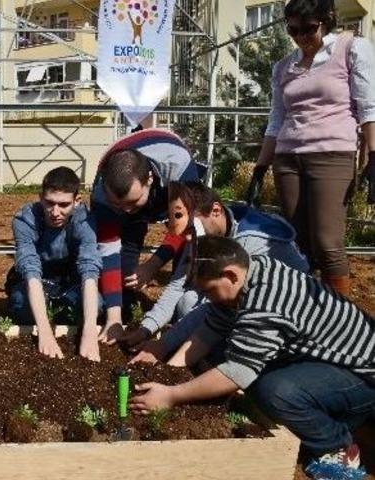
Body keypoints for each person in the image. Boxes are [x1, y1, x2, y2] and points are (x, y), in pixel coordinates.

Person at [129, 236, 374, 480]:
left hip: (363, 373)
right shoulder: (249, 273)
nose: (208, 298)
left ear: (231, 275)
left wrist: (172, 395)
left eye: (209, 290)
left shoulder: (267, 301)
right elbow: (209, 331)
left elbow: (238, 372)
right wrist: (170, 373)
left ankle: (335, 446)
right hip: (326, 358)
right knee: (227, 354)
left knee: (274, 391)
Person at [246, 0, 375, 296]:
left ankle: (343, 320)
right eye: (293, 30)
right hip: (287, 160)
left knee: (328, 242)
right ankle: (307, 309)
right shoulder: (284, 67)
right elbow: (276, 120)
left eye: (308, 29)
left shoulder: (350, 48)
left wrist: (373, 154)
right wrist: (261, 166)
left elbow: (369, 107)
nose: (301, 37)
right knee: (298, 241)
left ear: (326, 21)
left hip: (332, 155)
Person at [123, 182, 309, 360]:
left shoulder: (250, 243)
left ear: (216, 211)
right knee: (188, 301)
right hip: (235, 306)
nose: (187, 239)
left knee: (194, 308)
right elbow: (178, 285)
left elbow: (216, 308)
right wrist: (145, 329)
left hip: (281, 315)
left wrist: (164, 344)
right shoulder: (202, 233)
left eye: (191, 228)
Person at [90, 129, 205, 342]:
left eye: (133, 202)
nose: (125, 210)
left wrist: (153, 265)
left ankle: (179, 317)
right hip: (132, 188)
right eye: (119, 204)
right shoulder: (102, 195)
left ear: (149, 180)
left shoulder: (178, 167)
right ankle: (125, 308)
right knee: (124, 263)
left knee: (187, 252)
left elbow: (185, 225)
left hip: (169, 183)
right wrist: (114, 317)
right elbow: (108, 251)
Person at [7, 167, 103, 360]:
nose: (55, 212)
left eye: (64, 205)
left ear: (76, 201)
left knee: (97, 305)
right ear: (41, 197)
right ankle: (46, 317)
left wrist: (89, 333)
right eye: (50, 203)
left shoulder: (84, 222)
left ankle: (60, 317)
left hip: (70, 282)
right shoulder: (26, 220)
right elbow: (31, 271)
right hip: (36, 282)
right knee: (19, 303)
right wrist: (45, 332)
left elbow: (89, 271)